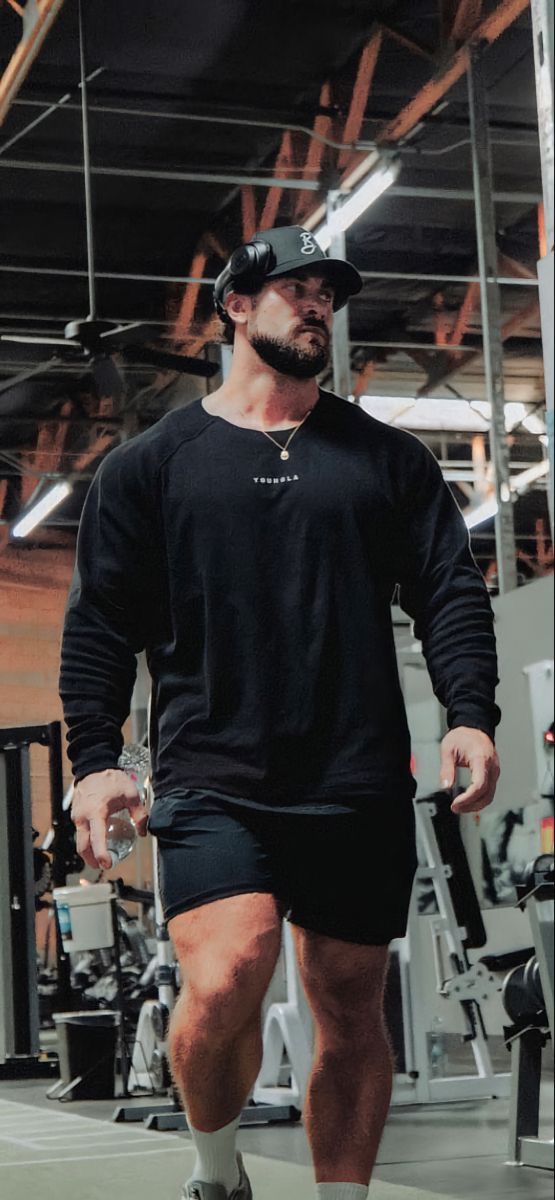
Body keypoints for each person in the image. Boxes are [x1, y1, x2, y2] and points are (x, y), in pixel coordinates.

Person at [60, 224, 501, 1200]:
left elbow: (449, 589)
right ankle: (218, 1174)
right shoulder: (152, 467)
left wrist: (471, 710)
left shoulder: (383, 460)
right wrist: (94, 758)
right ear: (234, 306)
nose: (314, 305)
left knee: (350, 1000)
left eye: (325, 295)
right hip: (215, 776)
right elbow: (100, 623)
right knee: (227, 975)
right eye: (292, 287)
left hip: (355, 776)